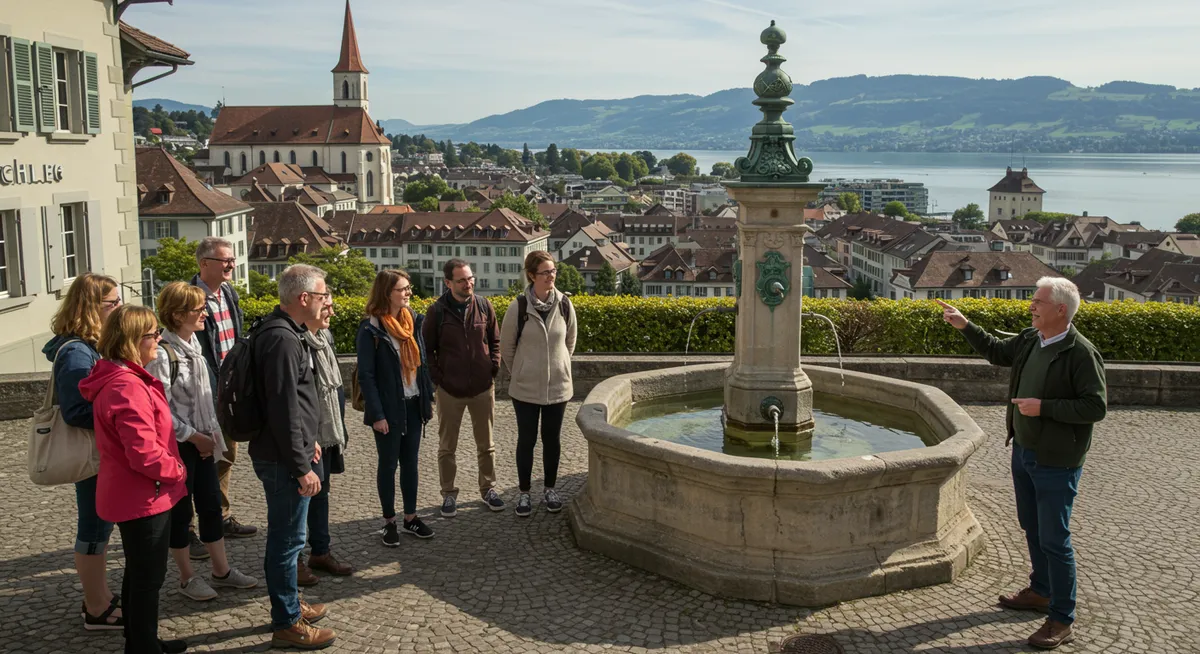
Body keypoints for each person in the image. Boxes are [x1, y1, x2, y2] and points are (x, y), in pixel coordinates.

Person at [937, 277, 1106, 651]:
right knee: (1031, 526)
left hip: (1056, 460)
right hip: (1025, 450)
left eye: (1038, 302)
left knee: (1055, 538)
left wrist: (1044, 408)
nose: (1032, 306)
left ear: (1061, 310)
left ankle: (1062, 618)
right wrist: (965, 325)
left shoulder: (1081, 353)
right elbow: (998, 351)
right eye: (1033, 300)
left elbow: (1096, 407)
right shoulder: (1032, 339)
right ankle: (1041, 590)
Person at [79, 305, 188, 654]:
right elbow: (142, 452)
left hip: (136, 493)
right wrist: (177, 470)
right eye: (152, 334)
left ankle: (141, 641)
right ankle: (142, 647)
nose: (158, 338)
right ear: (131, 340)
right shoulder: (125, 385)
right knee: (147, 579)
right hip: (143, 496)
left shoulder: (119, 377)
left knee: (138, 573)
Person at [146, 282, 257, 601]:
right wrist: (193, 436)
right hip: (181, 445)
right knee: (181, 514)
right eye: (198, 309)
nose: (205, 313)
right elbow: (160, 410)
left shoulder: (194, 343)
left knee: (210, 505)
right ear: (178, 314)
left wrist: (211, 436)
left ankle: (221, 571)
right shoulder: (163, 354)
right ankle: (186, 578)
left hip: (203, 442)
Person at [250, 264, 336, 650]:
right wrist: (301, 465)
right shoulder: (283, 339)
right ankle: (286, 622)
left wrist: (310, 441)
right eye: (322, 296)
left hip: (289, 451)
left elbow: (294, 404)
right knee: (287, 541)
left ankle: (290, 605)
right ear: (304, 299)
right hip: (284, 460)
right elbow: (282, 408)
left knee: (289, 539)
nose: (326, 302)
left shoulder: (283, 331)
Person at [42, 273, 124, 630]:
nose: (120, 308)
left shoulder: (89, 345)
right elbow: (76, 410)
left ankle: (100, 596)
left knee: (100, 528)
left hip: (101, 454)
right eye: (114, 303)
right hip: (93, 456)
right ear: (92, 307)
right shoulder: (77, 351)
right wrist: (124, 414)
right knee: (93, 529)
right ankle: (95, 607)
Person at [357, 270, 435, 545]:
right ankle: (389, 521)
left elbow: (423, 362)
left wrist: (427, 398)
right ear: (387, 292)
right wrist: (377, 415)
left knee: (410, 464)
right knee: (388, 465)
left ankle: (410, 518)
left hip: (413, 405)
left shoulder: (413, 320)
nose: (408, 293)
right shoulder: (371, 329)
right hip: (388, 410)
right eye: (402, 289)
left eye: (408, 289)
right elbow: (366, 376)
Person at [422, 259, 505, 518]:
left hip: (482, 387)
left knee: (487, 445)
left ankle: (488, 489)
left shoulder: (483, 305)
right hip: (450, 390)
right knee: (447, 447)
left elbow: (495, 340)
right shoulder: (436, 312)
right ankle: (448, 494)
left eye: (470, 278)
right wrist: (440, 379)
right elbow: (428, 350)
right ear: (448, 283)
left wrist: (493, 367)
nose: (468, 284)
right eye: (462, 280)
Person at [500, 252, 577, 517]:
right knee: (527, 440)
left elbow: (569, 343)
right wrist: (521, 371)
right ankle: (523, 493)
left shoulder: (565, 304)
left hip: (558, 388)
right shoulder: (519, 306)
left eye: (553, 271)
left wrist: (560, 366)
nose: (551, 276)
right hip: (526, 389)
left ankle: (550, 489)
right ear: (532, 276)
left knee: (552, 440)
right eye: (545, 272)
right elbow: (507, 347)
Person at [190, 236, 256, 540]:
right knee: (201, 458)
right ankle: (189, 525)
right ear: (205, 264)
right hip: (204, 391)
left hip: (232, 388)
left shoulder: (228, 292)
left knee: (227, 454)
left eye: (232, 259)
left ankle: (221, 515)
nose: (231, 264)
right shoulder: (189, 298)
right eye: (224, 260)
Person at [297, 301, 355, 583]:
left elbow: (335, 390)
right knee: (302, 496)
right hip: (309, 435)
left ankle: (320, 552)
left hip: (328, 431)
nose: (332, 312)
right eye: (327, 306)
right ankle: (295, 561)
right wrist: (309, 438)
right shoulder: (297, 341)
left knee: (321, 492)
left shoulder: (324, 337)